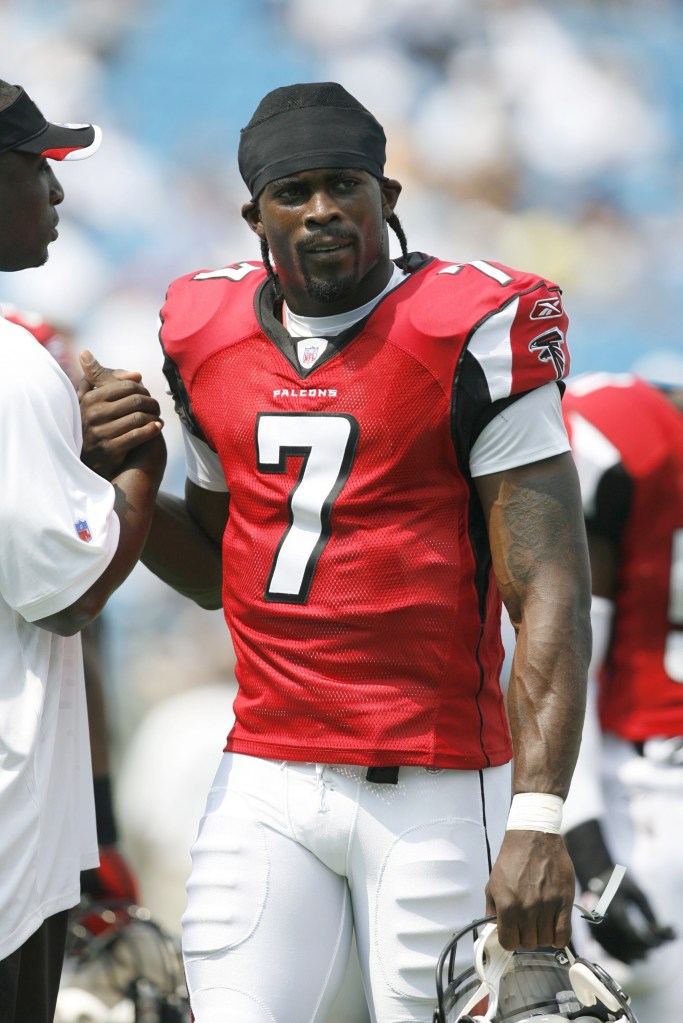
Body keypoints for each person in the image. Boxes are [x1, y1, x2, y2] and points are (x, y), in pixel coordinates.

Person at [79, 82, 592, 1023]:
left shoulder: (471, 324)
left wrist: (538, 815)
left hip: (435, 782)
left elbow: (547, 585)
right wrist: (128, 474)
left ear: (387, 199)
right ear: (254, 216)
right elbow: (213, 576)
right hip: (264, 771)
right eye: (295, 191)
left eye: (344, 186)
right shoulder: (202, 329)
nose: (322, 211)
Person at [0, 80, 165, 1023]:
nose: (57, 191)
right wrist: (135, 465)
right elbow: (66, 595)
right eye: (35, 164)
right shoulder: (16, 362)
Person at [561, 361, 683, 1023]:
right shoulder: (632, 437)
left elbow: (552, 663)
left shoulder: (623, 427)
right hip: (641, 795)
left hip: (642, 797)